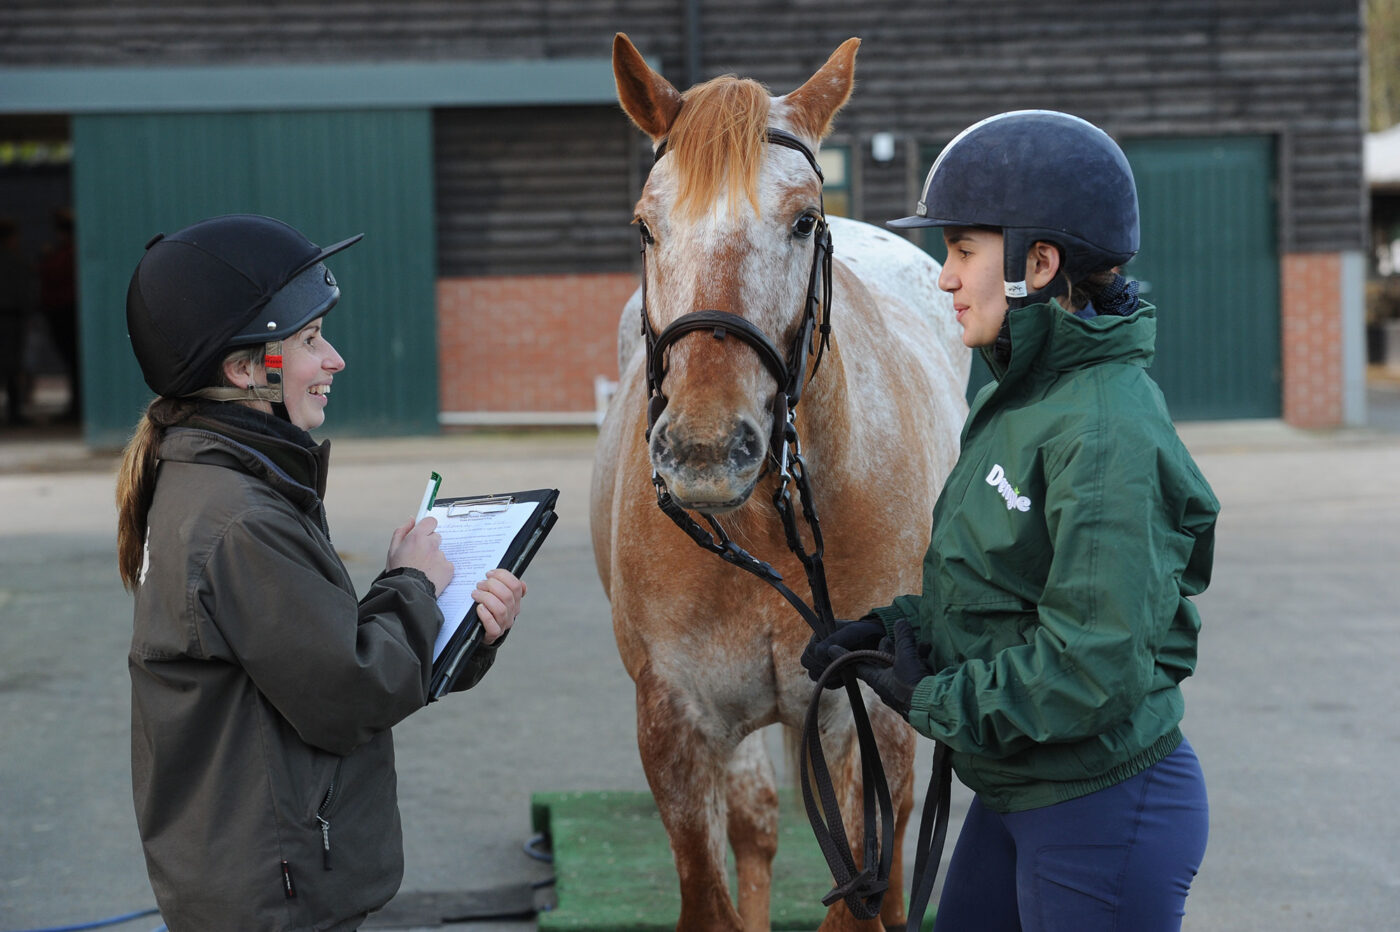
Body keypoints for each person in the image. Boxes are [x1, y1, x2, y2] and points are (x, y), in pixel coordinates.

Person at [802, 111, 1219, 931]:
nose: (943, 276)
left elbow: (1092, 666)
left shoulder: (1104, 433)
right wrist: (893, 634)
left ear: (1039, 262)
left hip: (1100, 812)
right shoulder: (1021, 393)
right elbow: (1003, 589)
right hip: (1019, 791)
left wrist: (933, 697)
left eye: (962, 251)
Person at [115, 213, 527, 931]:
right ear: (245, 370)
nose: (332, 359)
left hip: (259, 882)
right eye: (307, 341)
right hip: (275, 895)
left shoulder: (227, 485)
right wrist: (414, 584)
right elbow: (350, 688)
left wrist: (467, 629)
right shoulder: (240, 518)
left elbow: (309, 659)